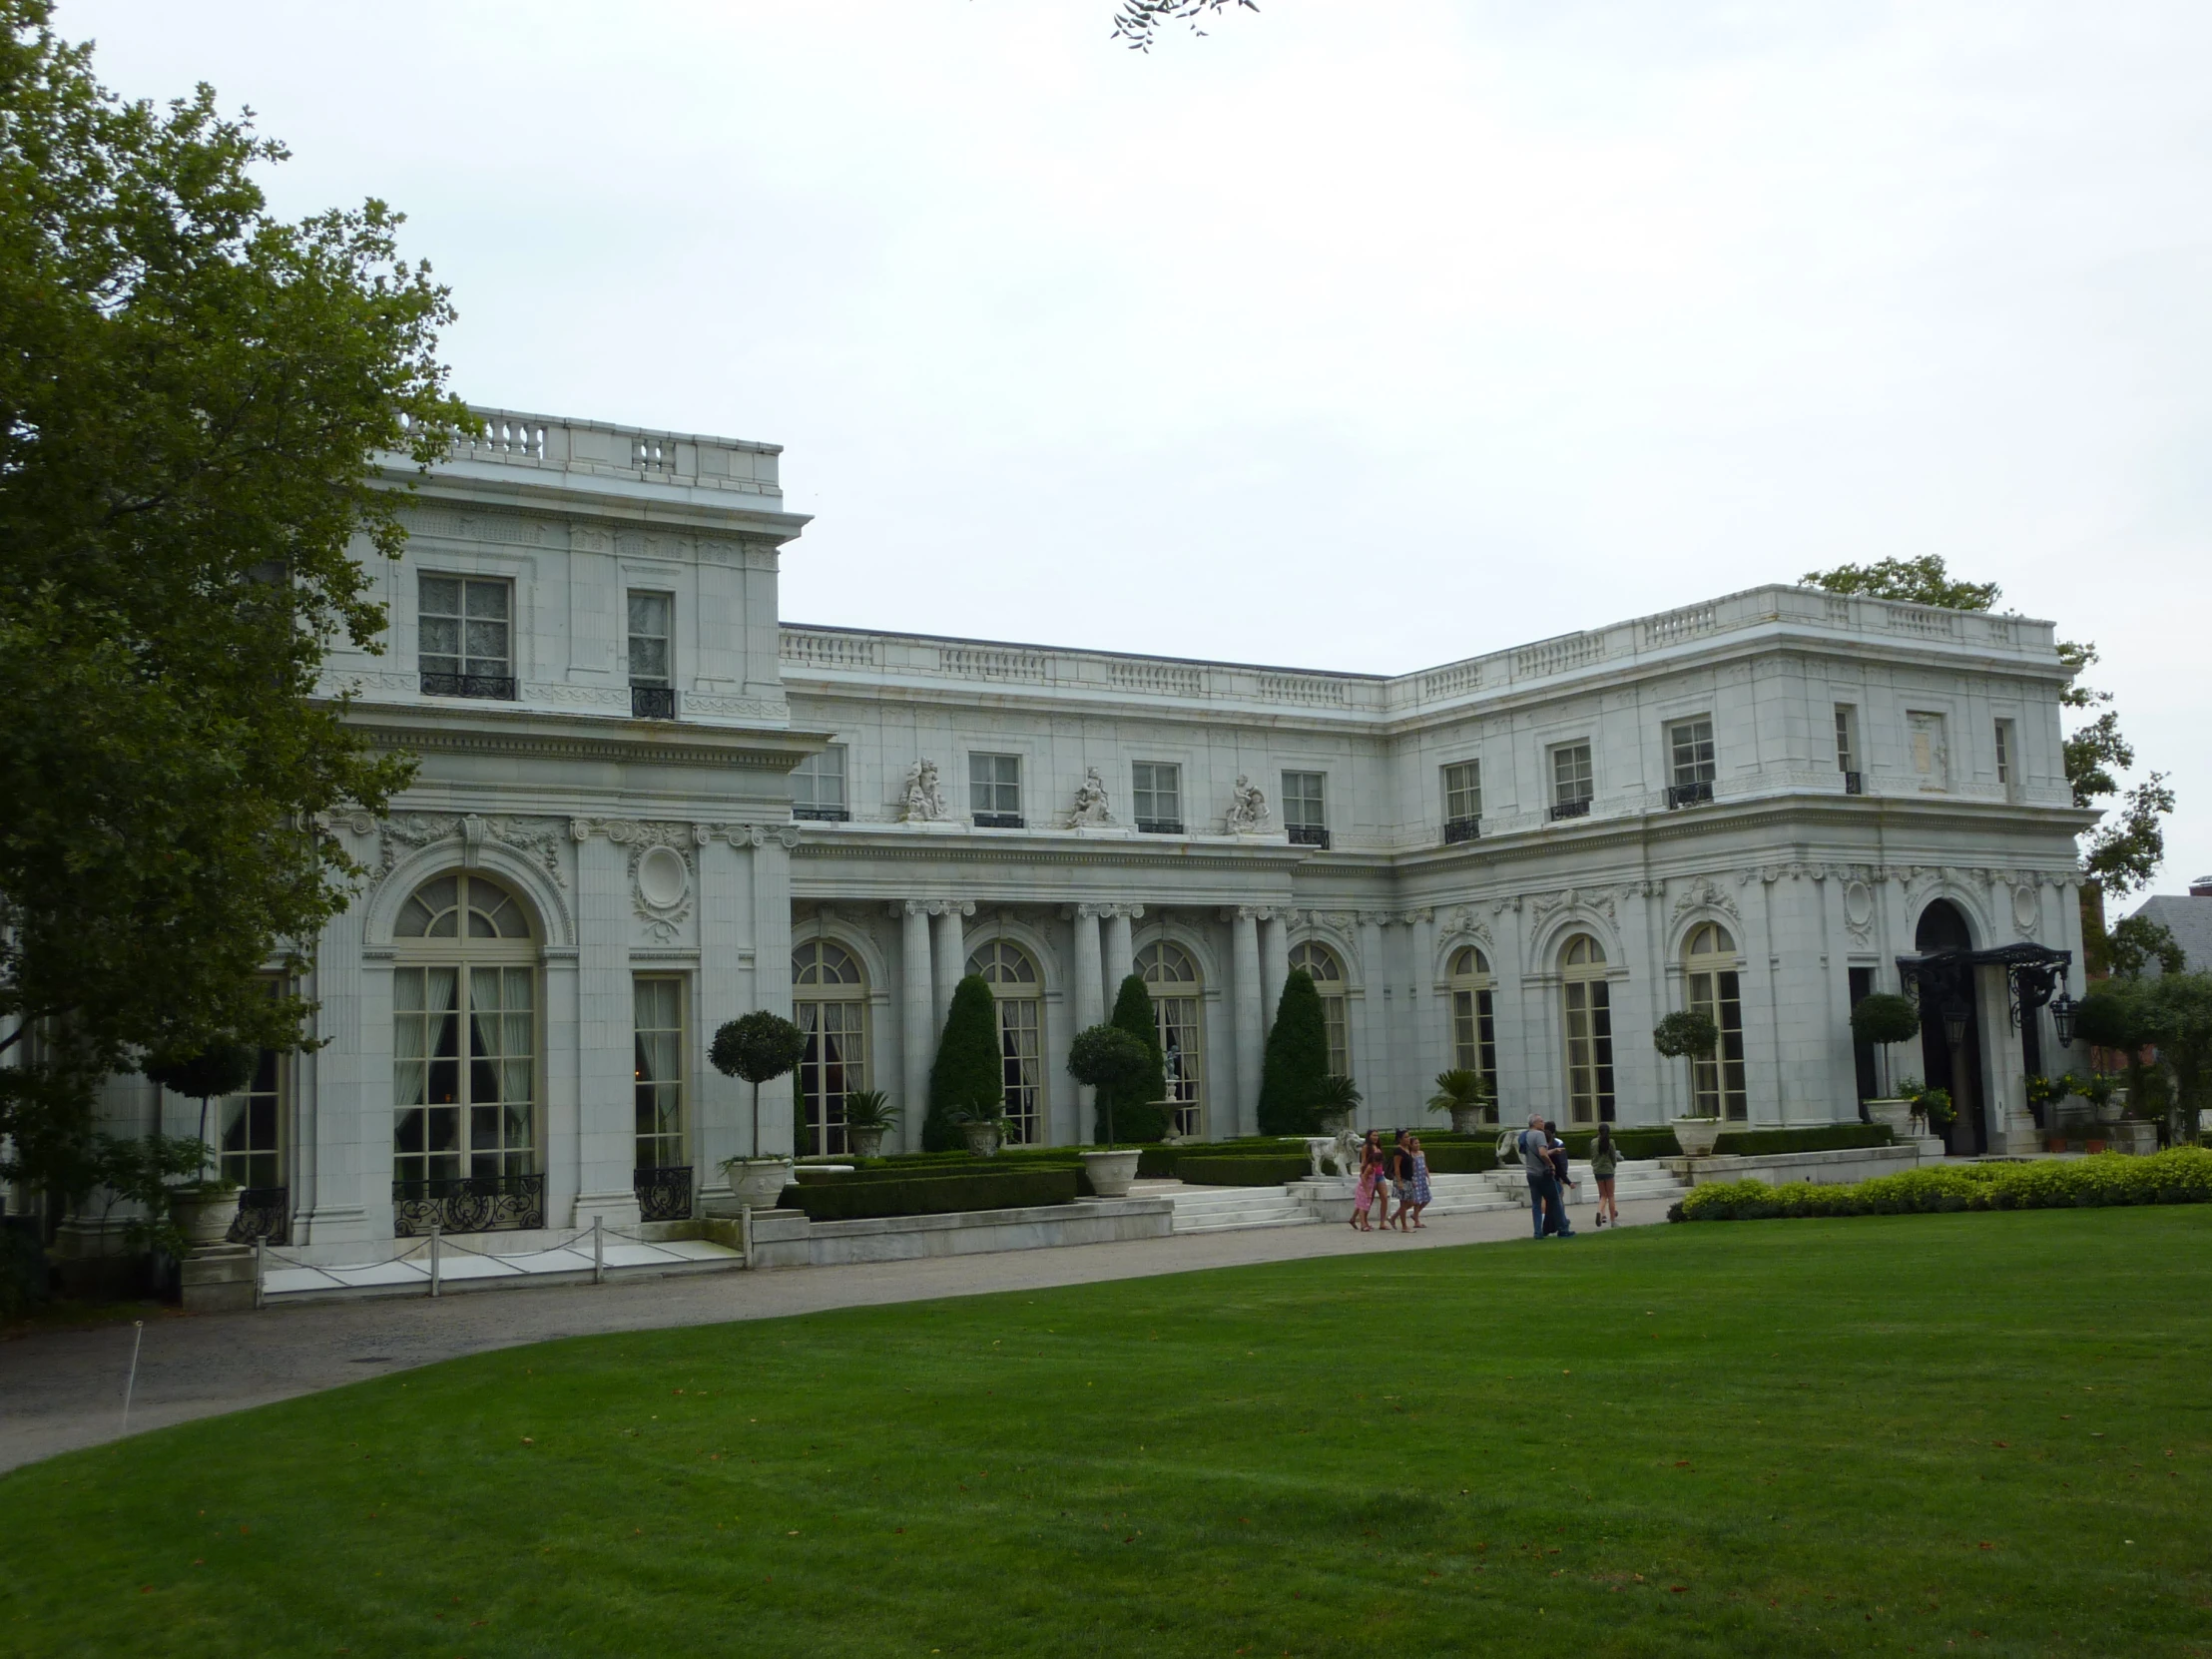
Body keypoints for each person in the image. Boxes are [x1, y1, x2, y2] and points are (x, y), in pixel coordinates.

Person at [1517, 1113, 1572, 1239]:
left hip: (1530, 1173)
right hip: (1542, 1173)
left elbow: (1537, 1152)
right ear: (1535, 1123)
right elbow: (1542, 1153)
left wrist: (1552, 1151)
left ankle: (1538, 1232)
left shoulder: (1526, 1135)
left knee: (1536, 1203)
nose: (1543, 1123)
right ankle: (1563, 1228)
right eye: (1541, 1121)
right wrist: (1551, 1164)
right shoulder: (1540, 1134)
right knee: (1555, 1200)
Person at [1350, 1129, 1383, 1232]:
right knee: (1363, 1203)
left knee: (1364, 1202)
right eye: (1373, 1135)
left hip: (1375, 1176)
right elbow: (1363, 1161)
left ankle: (1354, 1219)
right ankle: (1363, 1223)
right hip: (1367, 1181)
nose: (1376, 1137)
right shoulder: (1367, 1151)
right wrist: (1362, 1171)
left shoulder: (1377, 1148)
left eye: (1377, 1135)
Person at [1590, 1121, 1621, 1228]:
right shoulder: (1611, 1142)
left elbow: (1593, 1156)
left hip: (1597, 1171)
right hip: (1608, 1170)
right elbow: (1613, 1157)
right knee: (1611, 1195)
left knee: (1603, 1195)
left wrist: (1594, 1165)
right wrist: (1613, 1166)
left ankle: (1599, 1211)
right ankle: (1613, 1221)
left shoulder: (1593, 1142)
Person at [1388, 1130, 1415, 1232]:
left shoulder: (1408, 1149)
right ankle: (1404, 1226)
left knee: (1411, 1202)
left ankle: (1394, 1217)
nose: (1408, 1139)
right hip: (1401, 1179)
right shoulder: (1398, 1151)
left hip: (1408, 1178)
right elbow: (1397, 1167)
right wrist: (1399, 1181)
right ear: (1400, 1139)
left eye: (1408, 1137)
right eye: (1405, 1137)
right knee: (1403, 1203)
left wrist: (1412, 1179)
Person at [1405, 1132, 1432, 1229]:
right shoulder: (1411, 1155)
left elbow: (1424, 1165)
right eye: (1415, 1143)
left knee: (1426, 1198)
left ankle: (1415, 1215)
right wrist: (1412, 1179)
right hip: (1416, 1178)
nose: (1418, 1145)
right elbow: (1411, 1169)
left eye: (1418, 1143)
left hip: (1422, 1178)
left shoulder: (1421, 1153)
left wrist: (1428, 1176)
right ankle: (1416, 1220)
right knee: (1417, 1201)